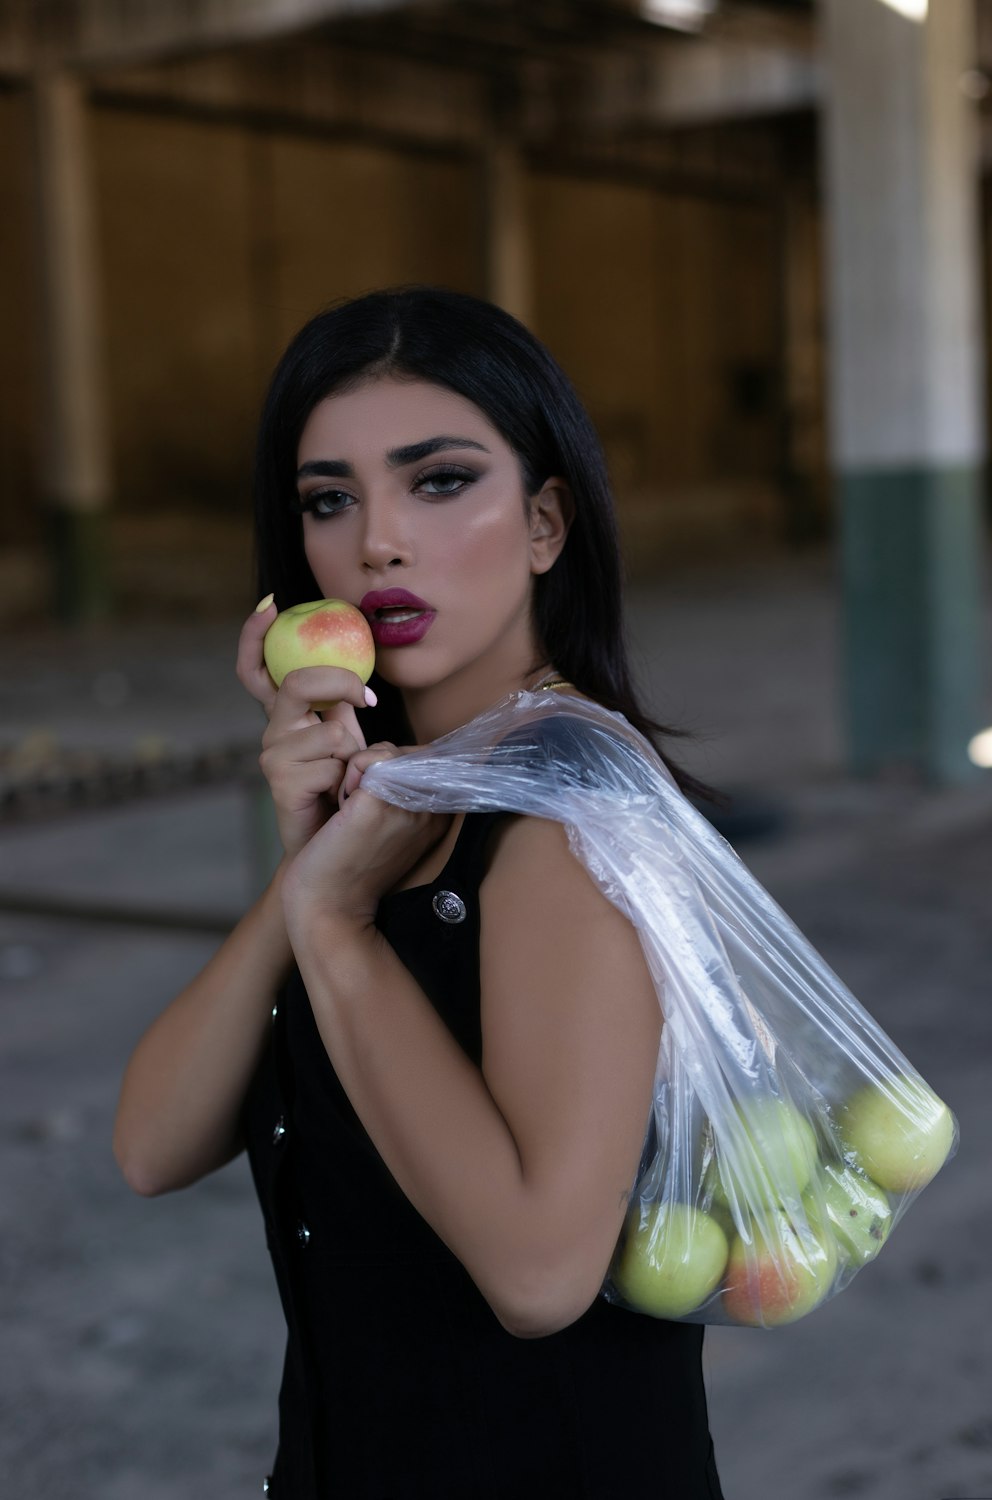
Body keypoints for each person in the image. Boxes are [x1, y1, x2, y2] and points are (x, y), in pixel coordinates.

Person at [114, 286, 726, 1499]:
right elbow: (150, 1144)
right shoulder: (390, 813)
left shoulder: (571, 812)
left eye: (438, 480)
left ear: (547, 522)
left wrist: (337, 928)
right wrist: (310, 862)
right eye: (328, 500)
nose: (374, 541)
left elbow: (542, 1275)